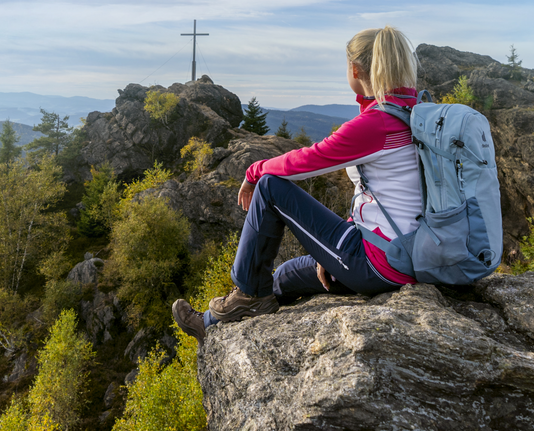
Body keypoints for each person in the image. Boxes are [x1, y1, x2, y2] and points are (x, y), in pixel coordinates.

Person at [172, 25, 421, 344]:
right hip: (404, 254)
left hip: (379, 262)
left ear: (355, 70)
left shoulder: (377, 123)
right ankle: (209, 323)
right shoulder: (413, 115)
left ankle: (247, 295)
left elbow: (305, 161)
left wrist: (254, 171)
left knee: (270, 187)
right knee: (287, 274)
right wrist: (329, 253)